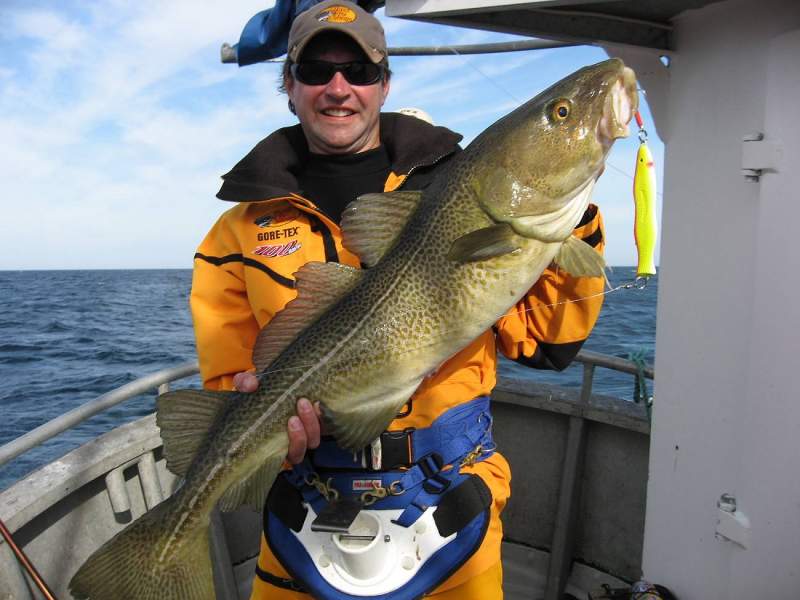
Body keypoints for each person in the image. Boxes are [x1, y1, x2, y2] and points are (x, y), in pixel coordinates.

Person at [190, 1, 606, 598]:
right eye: (316, 71)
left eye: (359, 70)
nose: (339, 88)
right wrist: (251, 403)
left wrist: (573, 218)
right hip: (303, 510)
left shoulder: (457, 188)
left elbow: (546, 346)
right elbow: (230, 378)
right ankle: (170, 538)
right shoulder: (236, 231)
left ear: (385, 84)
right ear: (289, 86)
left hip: (450, 504)